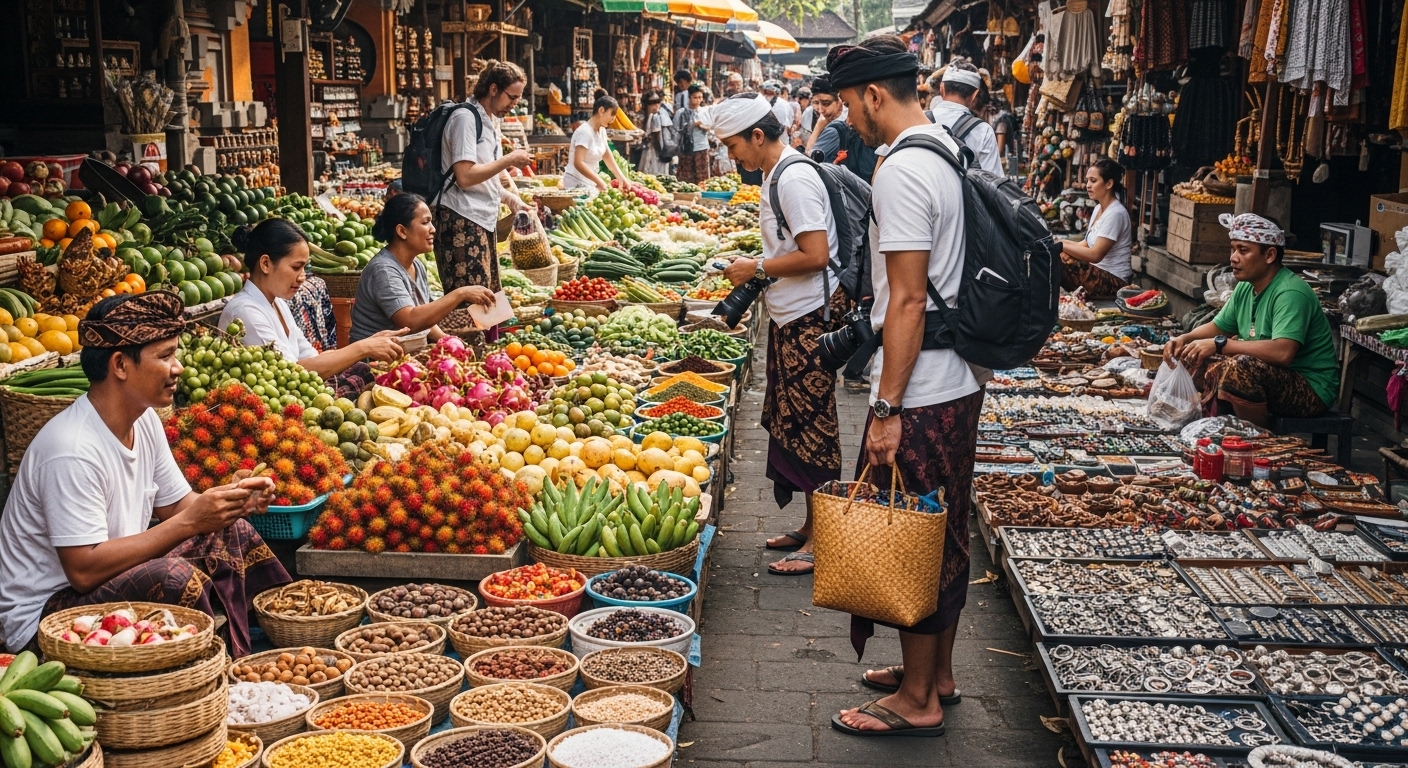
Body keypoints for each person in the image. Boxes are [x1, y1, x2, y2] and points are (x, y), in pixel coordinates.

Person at [828, 34, 986, 738]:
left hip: (921, 385)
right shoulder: (946, 147)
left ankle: (917, 698)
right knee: (941, 529)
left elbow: (908, 301)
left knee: (910, 534)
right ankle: (937, 674)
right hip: (958, 378)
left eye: (847, 102)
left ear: (872, 94)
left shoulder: (899, 170)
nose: (848, 117)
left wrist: (885, 406)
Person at [0, 292, 290, 657]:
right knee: (172, 579)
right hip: (49, 619)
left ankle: (267, 649)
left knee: (233, 532)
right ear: (120, 365)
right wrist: (191, 523)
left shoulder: (145, 420)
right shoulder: (71, 449)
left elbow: (179, 507)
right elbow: (84, 571)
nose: (178, 367)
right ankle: (203, 674)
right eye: (165, 356)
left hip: (100, 584)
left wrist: (230, 500)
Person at [705, 94, 845, 577]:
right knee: (794, 423)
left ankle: (826, 540)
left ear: (758, 136)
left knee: (814, 426)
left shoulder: (795, 177)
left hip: (810, 319)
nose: (731, 156)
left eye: (732, 146)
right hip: (790, 316)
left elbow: (817, 253)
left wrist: (757, 266)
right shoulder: (773, 175)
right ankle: (810, 528)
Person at [1164, 214, 1339, 424]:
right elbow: (1219, 327)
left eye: (1243, 250)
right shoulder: (1246, 286)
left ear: (1270, 255)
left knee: (1240, 368)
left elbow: (1283, 352)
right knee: (1192, 354)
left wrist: (1220, 345)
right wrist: (1185, 339)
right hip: (1272, 376)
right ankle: (1201, 424)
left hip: (1310, 388)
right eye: (1233, 248)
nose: (1233, 257)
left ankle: (1256, 438)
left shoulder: (1290, 292)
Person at [222, 220, 406, 397]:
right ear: (265, 264)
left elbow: (310, 356)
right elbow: (291, 373)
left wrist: (367, 345)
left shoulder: (277, 302)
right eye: (296, 267)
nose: (303, 277)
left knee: (362, 371)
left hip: (294, 391)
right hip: (275, 403)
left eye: (304, 268)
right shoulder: (244, 312)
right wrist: (362, 348)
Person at [433, 60, 532, 335]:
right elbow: (465, 175)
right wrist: (509, 159)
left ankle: (492, 355)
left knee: (488, 294)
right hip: (460, 220)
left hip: (480, 219)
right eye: (511, 97)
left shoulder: (489, 121)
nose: (514, 103)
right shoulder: (465, 118)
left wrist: (510, 199)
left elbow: (483, 177)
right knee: (471, 300)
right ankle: (468, 358)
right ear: (492, 89)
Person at [352, 193, 496, 343]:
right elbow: (410, 321)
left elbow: (425, 319)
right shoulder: (384, 271)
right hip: (373, 360)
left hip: (405, 352)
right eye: (425, 222)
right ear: (402, 231)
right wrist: (461, 293)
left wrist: (447, 341)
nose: (433, 229)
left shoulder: (417, 265)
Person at [1059, 158, 1134, 299]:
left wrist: (1060, 245)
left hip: (1115, 281)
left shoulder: (1116, 213)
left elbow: (1095, 255)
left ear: (1109, 183)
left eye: (1093, 181)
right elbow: (1085, 244)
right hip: (1099, 273)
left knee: (1057, 262)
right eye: (1087, 180)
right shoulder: (1099, 208)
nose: (1088, 185)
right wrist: (1058, 244)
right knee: (1055, 254)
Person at [924, 60, 1003, 176]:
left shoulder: (918, 120)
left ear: (942, 89)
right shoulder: (983, 131)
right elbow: (995, 181)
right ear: (974, 95)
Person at [810, 76, 879, 182]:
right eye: (815, 103)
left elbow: (809, 160)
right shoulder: (811, 114)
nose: (820, 109)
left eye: (826, 103)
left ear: (839, 101)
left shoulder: (836, 130)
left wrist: (818, 127)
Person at [563, 93, 630, 192]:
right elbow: (578, 162)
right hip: (576, 183)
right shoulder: (584, 132)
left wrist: (621, 177)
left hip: (590, 183)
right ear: (601, 110)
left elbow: (607, 155)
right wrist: (599, 181)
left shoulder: (601, 130)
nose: (613, 119)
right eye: (612, 114)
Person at [674, 85, 711, 183]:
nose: (698, 100)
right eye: (695, 97)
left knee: (702, 177)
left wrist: (701, 126)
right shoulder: (681, 113)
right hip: (686, 148)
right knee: (685, 177)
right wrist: (690, 125)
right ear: (689, 97)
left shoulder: (705, 111)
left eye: (700, 97)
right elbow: (676, 129)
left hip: (701, 147)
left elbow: (710, 127)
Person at [638, 91, 674, 177]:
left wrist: (663, 153)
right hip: (651, 150)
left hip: (657, 151)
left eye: (658, 102)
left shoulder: (658, 116)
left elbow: (657, 136)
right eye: (652, 103)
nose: (656, 105)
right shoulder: (647, 117)